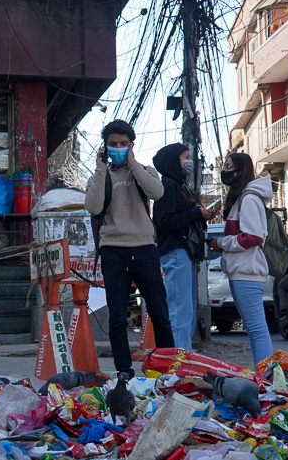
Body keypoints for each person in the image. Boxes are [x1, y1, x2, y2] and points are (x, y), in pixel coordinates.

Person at [85, 120, 174, 378]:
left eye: (124, 144)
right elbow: (93, 207)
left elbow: (157, 192)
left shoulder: (144, 171)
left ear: (132, 145)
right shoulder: (98, 177)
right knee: (117, 317)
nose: (119, 148)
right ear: (105, 147)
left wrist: (133, 163)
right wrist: (101, 169)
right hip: (114, 251)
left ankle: (168, 370)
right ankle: (124, 371)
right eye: (113, 144)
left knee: (160, 312)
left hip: (145, 249)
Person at [207, 152, 274, 366]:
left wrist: (221, 244)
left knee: (256, 329)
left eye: (228, 166)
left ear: (240, 171)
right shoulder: (243, 198)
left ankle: (267, 379)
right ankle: (264, 377)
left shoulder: (249, 198)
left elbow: (253, 237)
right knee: (254, 330)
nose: (223, 171)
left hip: (248, 271)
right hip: (241, 271)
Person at [152, 143, 213, 349]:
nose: (190, 162)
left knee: (187, 312)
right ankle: (178, 366)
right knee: (179, 313)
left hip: (185, 253)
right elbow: (164, 222)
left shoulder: (180, 185)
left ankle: (183, 360)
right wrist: (196, 213)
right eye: (185, 157)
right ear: (174, 161)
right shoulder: (169, 185)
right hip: (176, 252)